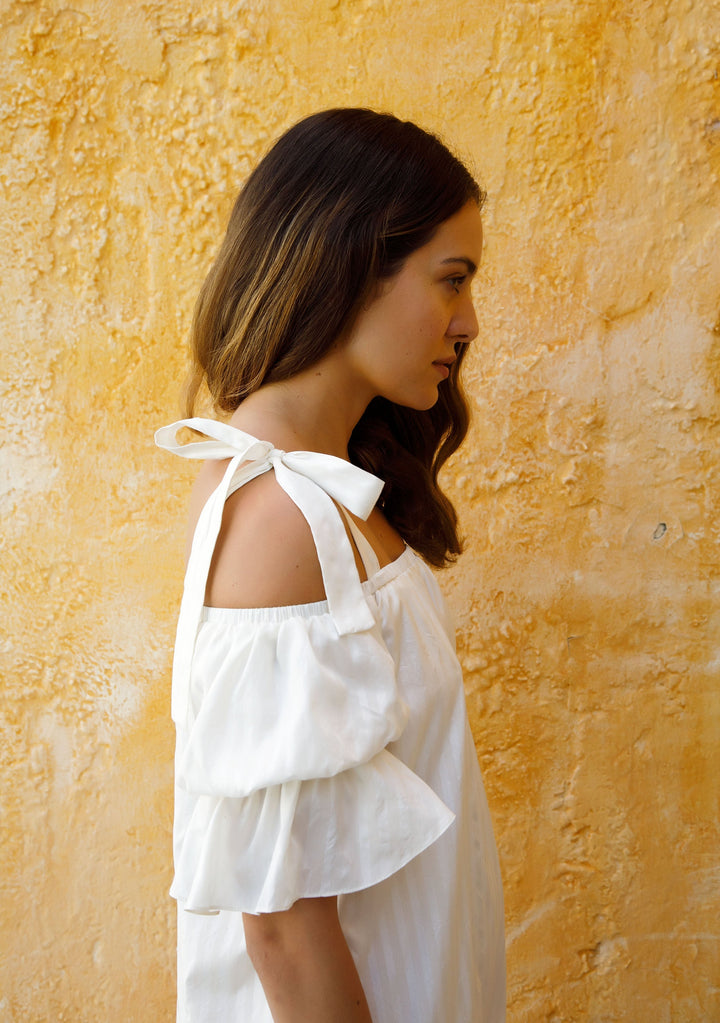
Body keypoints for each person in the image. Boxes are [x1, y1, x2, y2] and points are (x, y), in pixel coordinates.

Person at [155, 107, 505, 1023]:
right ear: (350, 264)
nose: (467, 321)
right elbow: (280, 925)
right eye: (451, 280)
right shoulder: (280, 518)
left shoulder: (326, 496)